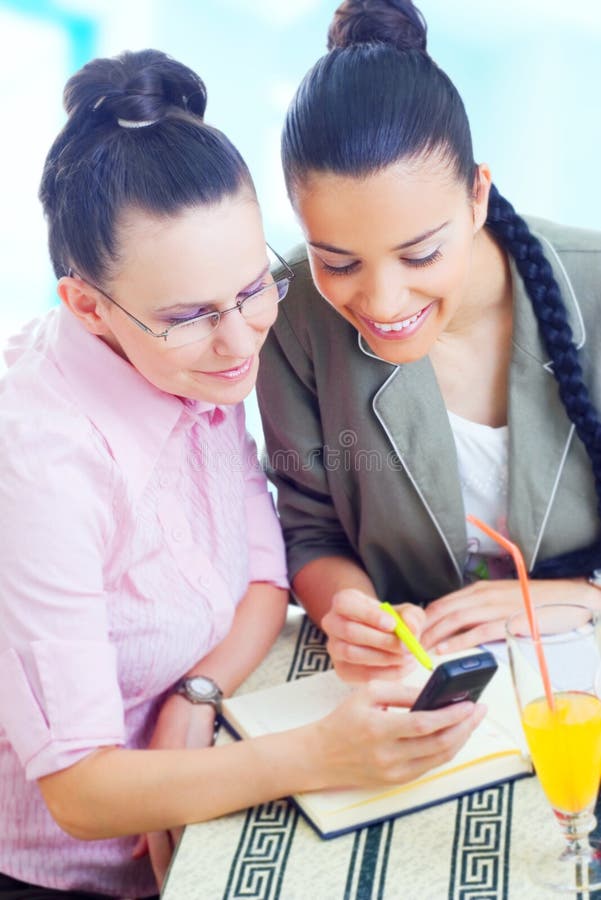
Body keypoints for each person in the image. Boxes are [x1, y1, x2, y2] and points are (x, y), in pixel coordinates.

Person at [0, 49, 486, 900]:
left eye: (255, 286)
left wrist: (194, 696)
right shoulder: (37, 466)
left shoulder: (192, 357)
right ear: (85, 307)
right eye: (189, 316)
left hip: (205, 789)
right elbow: (79, 793)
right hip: (69, 872)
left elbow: (263, 576)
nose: (241, 342)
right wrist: (317, 753)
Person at [256, 0, 601, 684]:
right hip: (414, 682)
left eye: (419, 255)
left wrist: (588, 598)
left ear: (476, 196)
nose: (382, 304)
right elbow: (310, 534)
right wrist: (350, 610)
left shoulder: (591, 284)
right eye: (339, 262)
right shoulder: (289, 316)